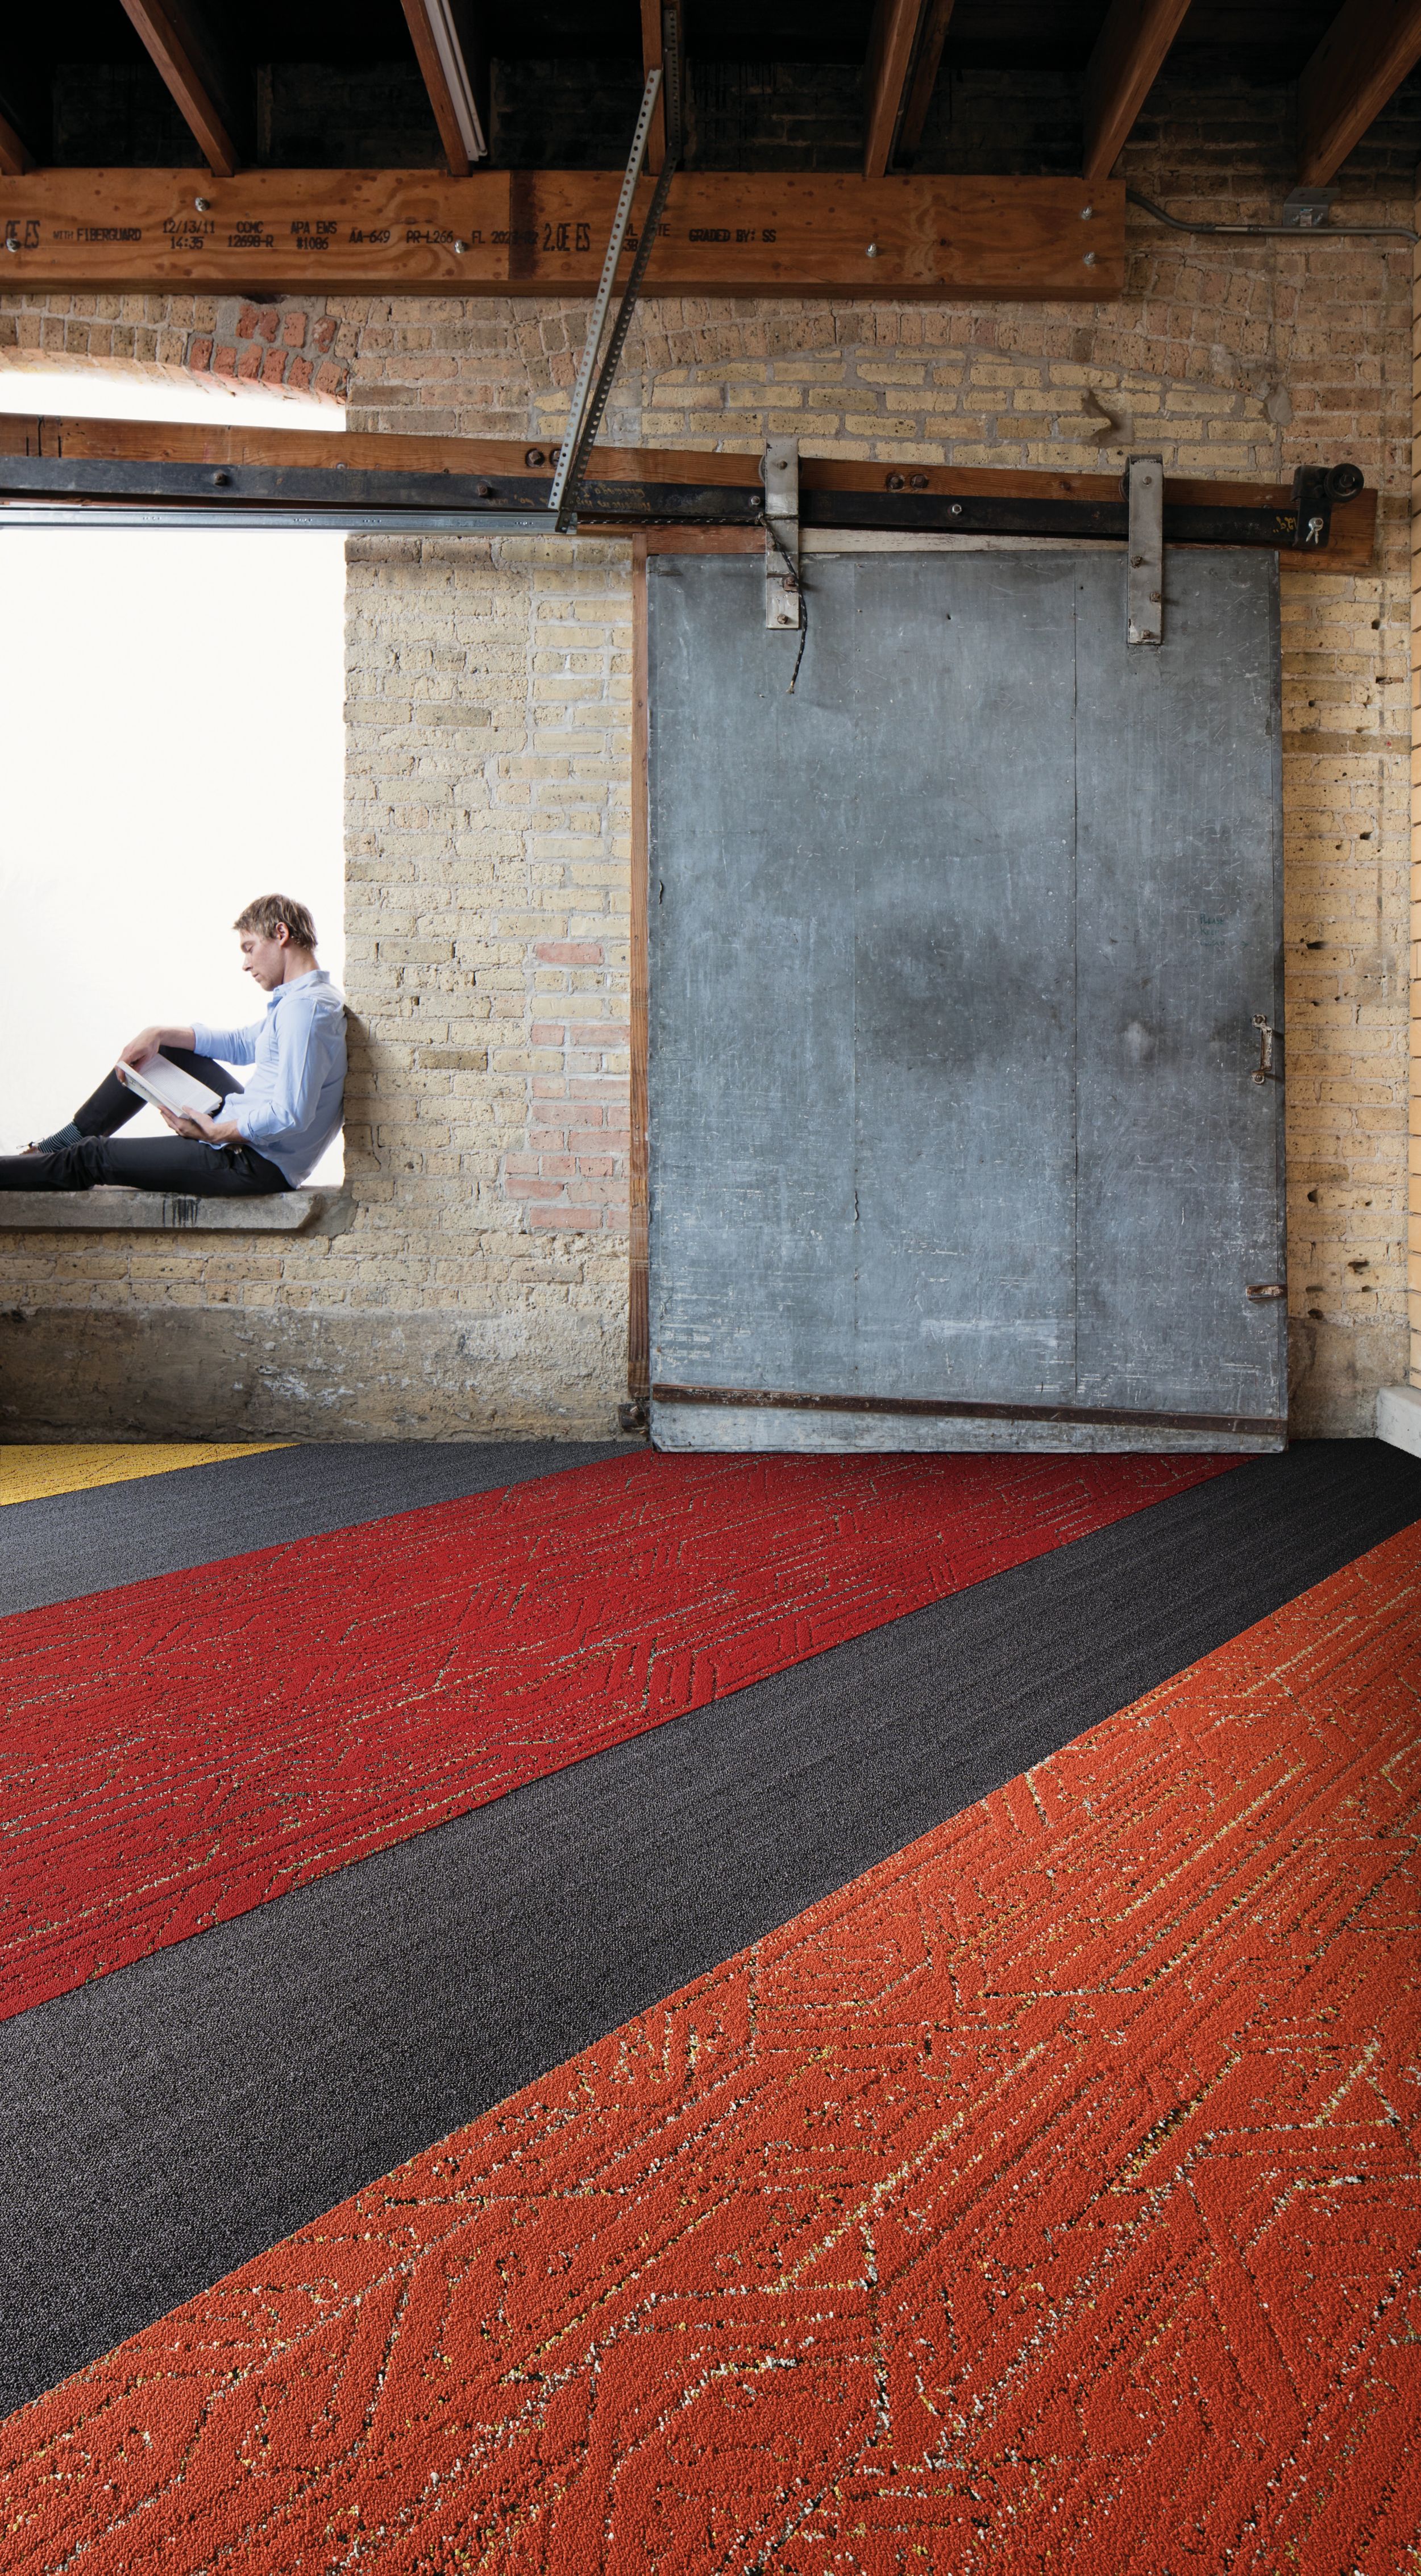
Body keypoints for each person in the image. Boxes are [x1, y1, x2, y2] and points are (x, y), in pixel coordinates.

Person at [0, 894, 346, 1198]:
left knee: (93, 1158)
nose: (245, 964)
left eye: (249, 948)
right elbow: (243, 1043)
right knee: (163, 1051)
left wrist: (215, 1131)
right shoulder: (301, 1000)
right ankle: (56, 1145)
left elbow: (292, 1114)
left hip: (253, 1161)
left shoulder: (307, 1010)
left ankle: (48, 1158)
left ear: (281, 934)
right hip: (247, 1136)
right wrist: (159, 1033)